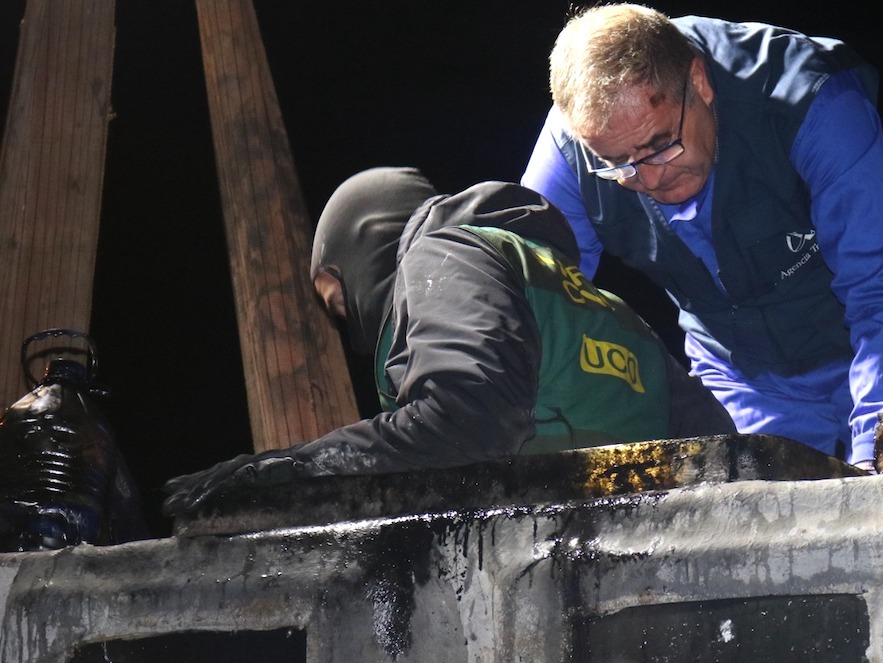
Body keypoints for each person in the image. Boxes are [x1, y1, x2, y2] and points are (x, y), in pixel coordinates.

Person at [521, 5, 883, 469]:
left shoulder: (811, 102)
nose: (650, 180)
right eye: (620, 166)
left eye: (660, 146)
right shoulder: (574, 147)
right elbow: (525, 296)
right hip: (745, 369)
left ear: (699, 82)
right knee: (764, 515)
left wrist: (879, 462)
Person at [162, 169, 735, 515]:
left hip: (582, 557)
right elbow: (721, 441)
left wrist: (285, 472)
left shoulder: (443, 256)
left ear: (367, 246)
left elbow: (468, 420)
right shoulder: (578, 295)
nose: (348, 323)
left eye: (337, 296)